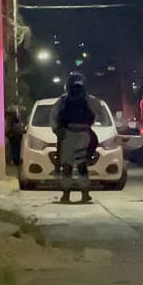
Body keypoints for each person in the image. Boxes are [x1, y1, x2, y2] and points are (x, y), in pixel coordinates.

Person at [50, 72, 102, 204]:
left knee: (81, 165)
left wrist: (57, 130)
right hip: (69, 135)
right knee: (68, 166)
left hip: (80, 135)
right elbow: (54, 117)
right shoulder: (63, 101)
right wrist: (58, 131)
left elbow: (98, 113)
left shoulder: (88, 100)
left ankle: (83, 193)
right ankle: (67, 194)